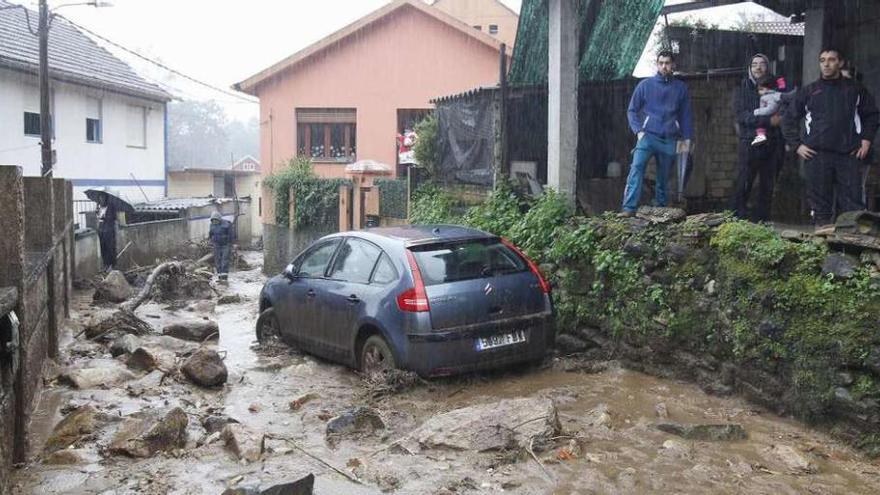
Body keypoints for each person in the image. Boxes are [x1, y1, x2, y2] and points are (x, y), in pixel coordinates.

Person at [783, 47, 879, 227]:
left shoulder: (855, 90)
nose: (826, 64)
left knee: (852, 207)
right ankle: (822, 248)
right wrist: (797, 145)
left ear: (840, 63)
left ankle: (850, 250)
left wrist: (866, 140)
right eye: (822, 60)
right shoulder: (809, 91)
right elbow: (788, 119)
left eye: (831, 60)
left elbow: (872, 115)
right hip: (817, 155)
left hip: (849, 154)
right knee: (821, 209)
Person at [621, 51, 694, 216]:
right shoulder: (645, 85)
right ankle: (628, 208)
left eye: (667, 63)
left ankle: (660, 210)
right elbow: (632, 110)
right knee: (636, 168)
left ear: (673, 65)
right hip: (648, 136)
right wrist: (639, 131)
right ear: (657, 64)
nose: (664, 66)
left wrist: (687, 139)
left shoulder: (680, 88)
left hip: (670, 138)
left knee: (663, 177)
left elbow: (686, 116)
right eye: (661, 63)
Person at [732, 54, 786, 222]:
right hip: (750, 142)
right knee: (744, 182)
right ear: (749, 68)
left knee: (767, 185)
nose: (758, 67)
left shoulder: (777, 87)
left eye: (762, 64)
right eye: (754, 64)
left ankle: (762, 220)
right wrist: (768, 121)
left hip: (773, 143)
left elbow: (785, 112)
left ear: (768, 68)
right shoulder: (741, 89)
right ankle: (736, 219)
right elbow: (742, 116)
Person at [752, 76, 792, 146]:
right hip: (771, 118)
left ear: (768, 88)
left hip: (775, 115)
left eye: (761, 89)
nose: (759, 92)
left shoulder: (771, 96)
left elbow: (771, 108)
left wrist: (757, 112)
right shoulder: (767, 96)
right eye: (758, 90)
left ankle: (788, 143)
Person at [96, 192, 118, 272]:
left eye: (103, 198)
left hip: (109, 230)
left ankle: (111, 265)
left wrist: (105, 217)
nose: (101, 200)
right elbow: (98, 218)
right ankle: (105, 264)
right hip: (101, 230)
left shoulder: (111, 207)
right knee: (103, 248)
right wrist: (97, 214)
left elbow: (114, 217)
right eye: (100, 198)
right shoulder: (99, 207)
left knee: (110, 248)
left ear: (106, 199)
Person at [209, 211, 233, 281]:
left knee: (224, 260)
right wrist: (211, 241)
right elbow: (210, 234)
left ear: (219, 219)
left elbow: (231, 235)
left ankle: (224, 277)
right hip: (216, 245)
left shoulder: (227, 224)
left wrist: (230, 243)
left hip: (226, 245)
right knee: (217, 260)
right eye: (213, 220)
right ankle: (219, 276)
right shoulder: (212, 225)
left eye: (216, 220)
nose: (214, 222)